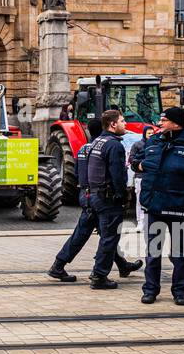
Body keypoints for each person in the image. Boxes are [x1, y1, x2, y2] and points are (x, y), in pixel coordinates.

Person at [47, 109, 143, 288]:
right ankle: (99, 276)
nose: (125, 124)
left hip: (88, 195)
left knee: (82, 234)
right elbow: (118, 175)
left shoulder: (94, 143)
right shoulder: (114, 145)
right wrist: (122, 196)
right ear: (113, 124)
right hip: (105, 198)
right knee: (109, 237)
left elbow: (79, 172)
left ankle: (58, 265)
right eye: (122, 121)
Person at [138, 106, 184, 305]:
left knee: (180, 254)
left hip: (179, 206)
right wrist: (140, 165)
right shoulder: (154, 140)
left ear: (175, 123)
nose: (160, 123)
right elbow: (138, 159)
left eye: (164, 120)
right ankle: (150, 290)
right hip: (154, 205)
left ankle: (180, 291)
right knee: (153, 252)